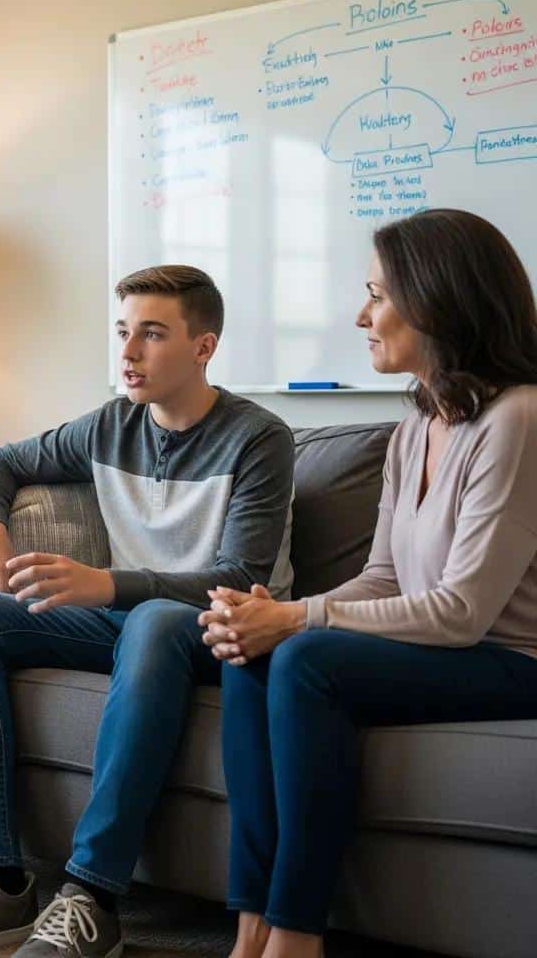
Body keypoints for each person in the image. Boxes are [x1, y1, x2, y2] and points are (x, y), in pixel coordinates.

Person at [0, 265, 295, 958]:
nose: (128, 353)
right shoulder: (109, 426)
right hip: (130, 624)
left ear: (203, 347)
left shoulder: (258, 438)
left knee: (156, 619)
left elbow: (241, 576)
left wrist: (104, 584)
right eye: (123, 333)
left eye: (152, 334)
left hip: (225, 630)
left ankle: (92, 897)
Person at [200, 208, 537, 958]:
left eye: (377, 295)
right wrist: (273, 613)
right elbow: (384, 573)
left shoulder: (518, 419)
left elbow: (460, 613)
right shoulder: (415, 424)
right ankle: (251, 922)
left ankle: (296, 935)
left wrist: (298, 622)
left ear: (437, 299)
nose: (362, 314)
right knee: (255, 652)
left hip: (514, 660)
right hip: (451, 649)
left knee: (305, 658)